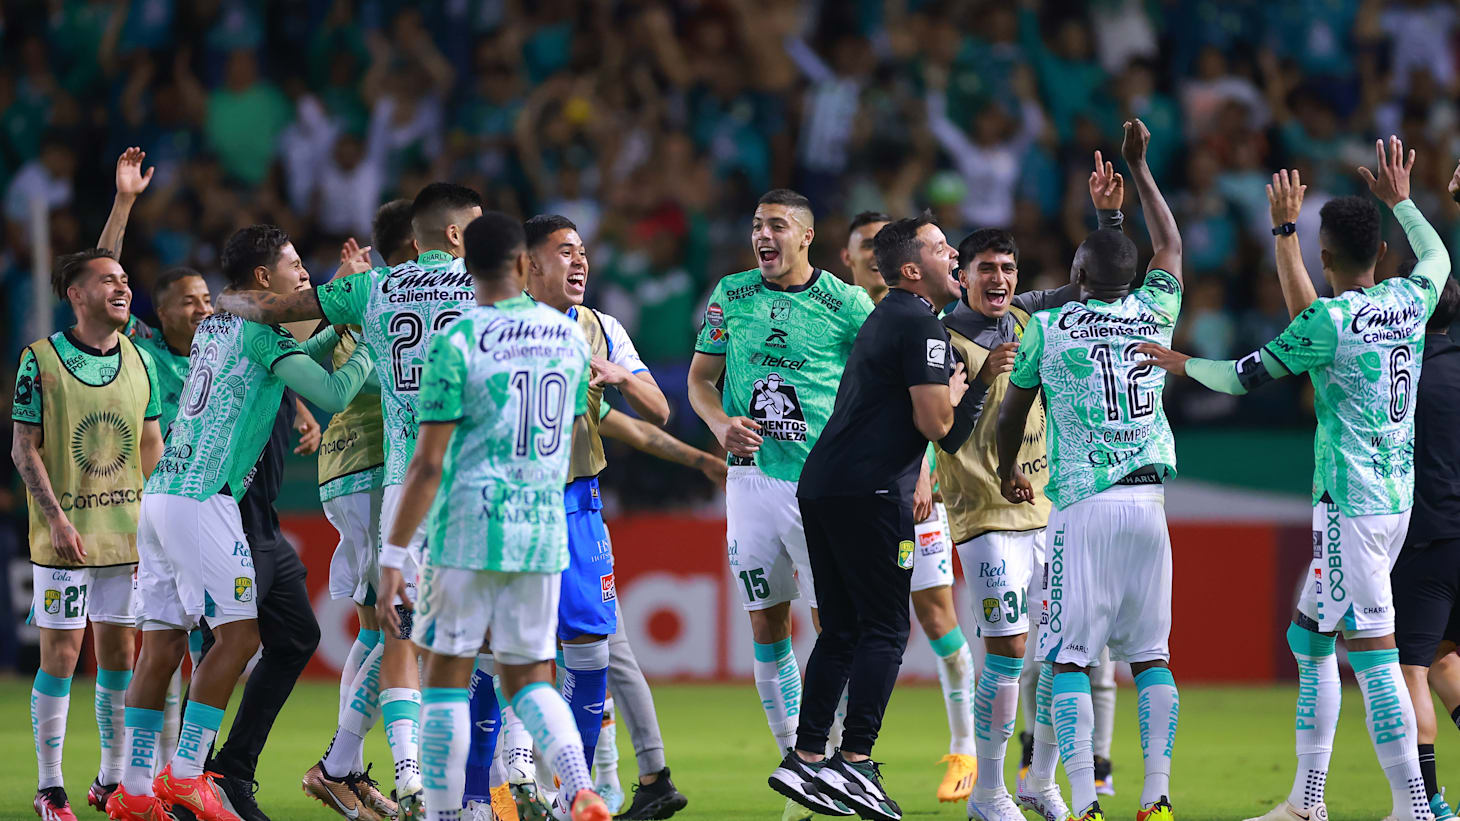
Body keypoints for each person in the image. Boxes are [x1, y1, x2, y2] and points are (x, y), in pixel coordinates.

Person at [1138, 138, 1448, 821]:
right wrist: (1402, 200)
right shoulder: (1408, 297)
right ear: (1382, 254)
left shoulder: (1329, 324)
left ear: (1325, 255)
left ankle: (1414, 808)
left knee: (1373, 655)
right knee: (1309, 637)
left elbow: (1237, 376)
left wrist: (1176, 360)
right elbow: (1439, 257)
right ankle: (1307, 801)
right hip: (1396, 501)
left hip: (1349, 508)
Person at [217, 182, 484, 818]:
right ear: (450, 235)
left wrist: (226, 301)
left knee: (396, 625)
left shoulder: (372, 289)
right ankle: (399, 775)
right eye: (474, 224)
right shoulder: (486, 287)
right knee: (427, 634)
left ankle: (361, 766)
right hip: (455, 474)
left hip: (397, 477)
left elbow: (287, 311)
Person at [107, 225, 374, 821]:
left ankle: (133, 790)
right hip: (205, 497)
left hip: (162, 495)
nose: (304, 275)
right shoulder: (257, 329)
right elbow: (330, 387)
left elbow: (293, 353)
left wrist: (335, 320)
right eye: (295, 265)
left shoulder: (219, 325)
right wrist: (373, 342)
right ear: (263, 278)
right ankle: (184, 777)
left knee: (162, 645)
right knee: (242, 637)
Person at [372, 211, 611, 821]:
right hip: (542, 532)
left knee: (449, 676)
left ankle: (449, 815)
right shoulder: (568, 338)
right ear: (525, 265)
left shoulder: (457, 340)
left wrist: (395, 555)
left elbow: (427, 465)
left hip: (469, 530)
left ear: (466, 269)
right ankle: (579, 785)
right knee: (531, 677)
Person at [996, 119, 1183, 821]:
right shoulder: (1156, 310)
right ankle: (1157, 797)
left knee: (1071, 657)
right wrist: (1140, 169)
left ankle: (1082, 802)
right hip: (1152, 506)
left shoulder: (1051, 325)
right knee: (1152, 655)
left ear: (1076, 278)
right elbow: (1169, 243)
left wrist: (1013, 464)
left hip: (1081, 503)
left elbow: (1015, 412)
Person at [944, 156, 1128, 821]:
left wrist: (1109, 216)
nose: (1000, 279)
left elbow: (1098, 288)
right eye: (986, 269)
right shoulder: (940, 342)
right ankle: (988, 793)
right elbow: (939, 432)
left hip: (1049, 512)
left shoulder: (1029, 318)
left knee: (1062, 651)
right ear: (960, 277)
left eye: (1008, 269)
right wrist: (988, 383)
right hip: (985, 515)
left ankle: (1038, 779)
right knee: (1009, 651)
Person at [771, 212, 971, 821]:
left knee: (843, 629)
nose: (953, 254)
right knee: (887, 629)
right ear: (912, 270)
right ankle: (854, 763)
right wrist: (967, 387)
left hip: (825, 486)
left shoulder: (889, 318)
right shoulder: (922, 327)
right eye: (942, 248)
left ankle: (804, 758)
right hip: (874, 494)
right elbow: (938, 425)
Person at [687, 190, 875, 821]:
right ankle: (799, 771)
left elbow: (884, 387)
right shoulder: (731, 294)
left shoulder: (846, 304)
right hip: (751, 484)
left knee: (833, 630)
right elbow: (699, 381)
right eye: (756, 227)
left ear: (807, 237)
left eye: (776, 227)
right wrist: (719, 426)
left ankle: (841, 767)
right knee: (766, 625)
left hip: (822, 489)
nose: (762, 237)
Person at [12, 246, 165, 821]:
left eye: (125, 278)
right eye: (107, 280)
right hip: (65, 540)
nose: (121, 287)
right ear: (76, 295)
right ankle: (50, 786)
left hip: (126, 539)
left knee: (121, 655)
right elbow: (23, 447)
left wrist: (157, 522)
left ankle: (112, 779)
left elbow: (151, 447)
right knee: (62, 654)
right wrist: (54, 518)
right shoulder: (40, 360)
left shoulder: (140, 359)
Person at [843, 208, 980, 803]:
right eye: (864, 246)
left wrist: (924, 472)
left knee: (935, 617)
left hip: (913, 487)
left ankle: (965, 750)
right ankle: (831, 762)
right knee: (841, 629)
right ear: (852, 260)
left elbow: (926, 408)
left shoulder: (928, 317)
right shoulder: (841, 316)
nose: (873, 253)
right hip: (855, 488)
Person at [305, 200, 415, 821]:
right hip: (375, 465)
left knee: (379, 625)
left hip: (357, 468)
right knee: (399, 621)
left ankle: (349, 765)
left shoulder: (366, 295)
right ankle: (341, 766)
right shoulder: (384, 299)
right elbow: (370, 374)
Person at [1390, 160, 1460, 821]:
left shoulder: (1401, 381)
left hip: (1427, 535)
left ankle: (1427, 801)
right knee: (1445, 659)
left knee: (1409, 669)